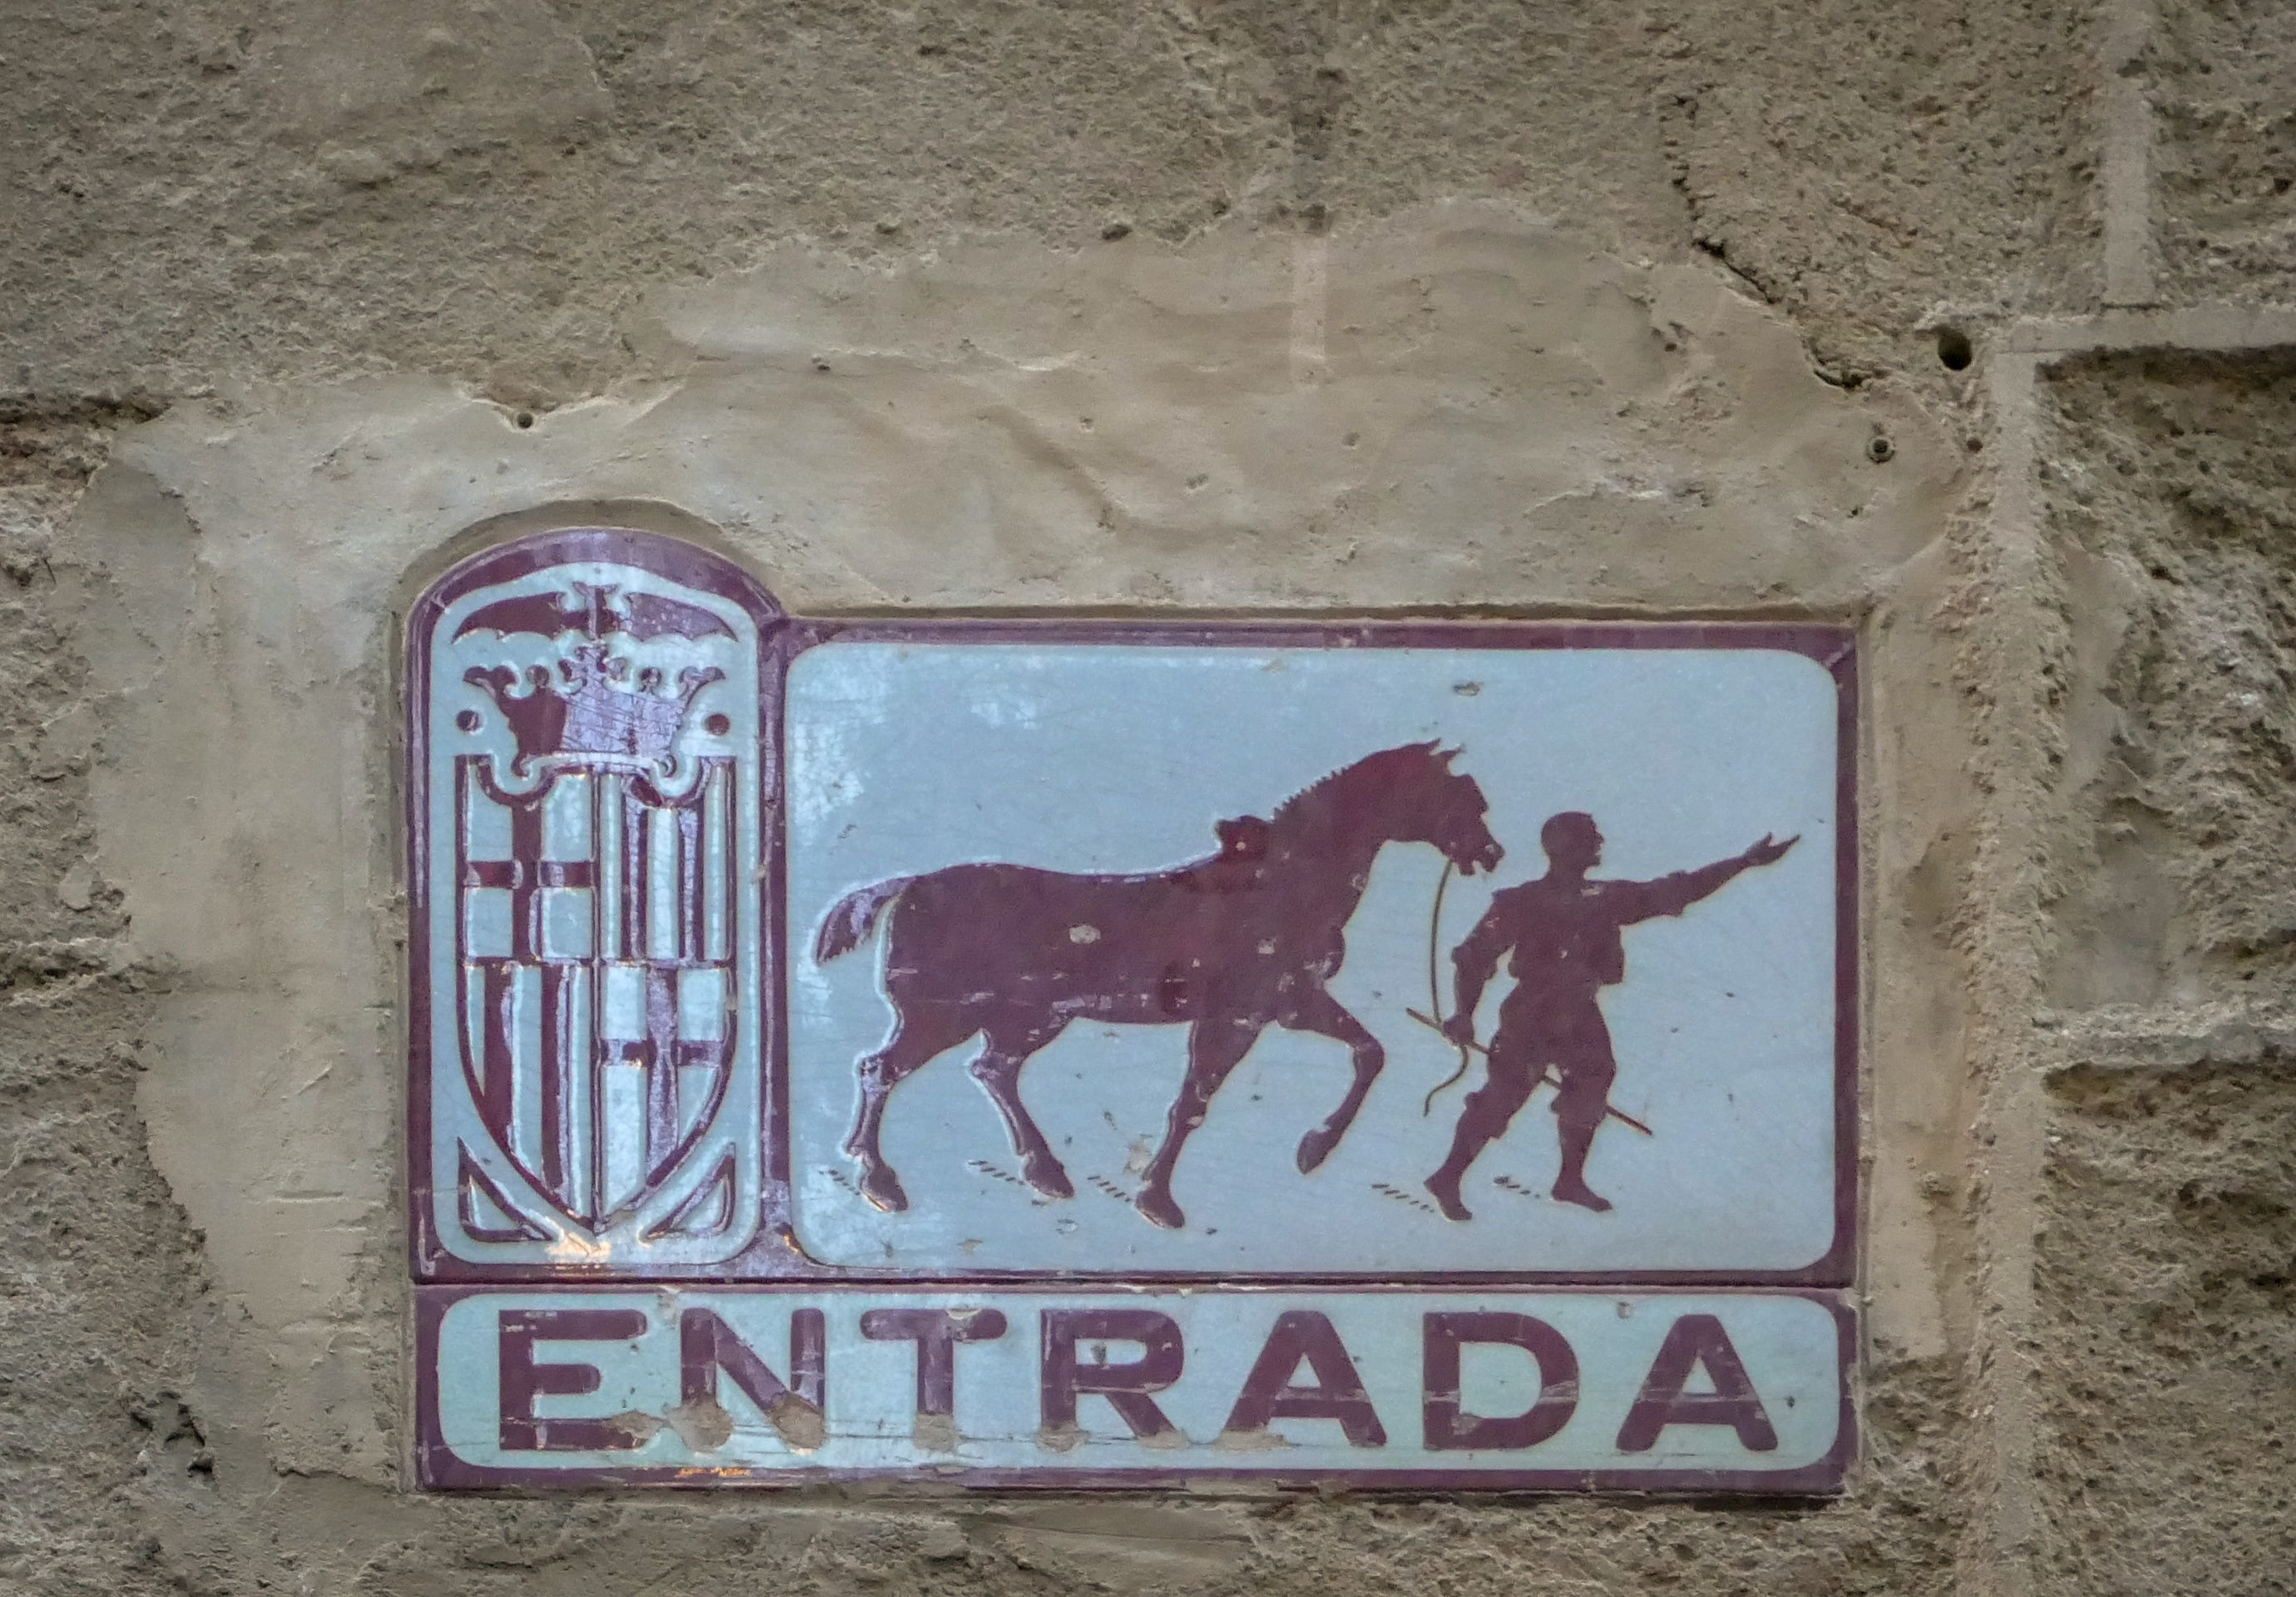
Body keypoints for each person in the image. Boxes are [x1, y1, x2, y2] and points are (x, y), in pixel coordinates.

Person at [1425, 812, 1795, 1220]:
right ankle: (1447, 1177)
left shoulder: (1606, 897)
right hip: (1531, 1015)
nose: (1600, 842)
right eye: (1591, 837)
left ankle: (1569, 1181)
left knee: (1592, 1083)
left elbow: (1678, 891)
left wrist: (1743, 862)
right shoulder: (1520, 902)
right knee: (1502, 1098)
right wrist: (1463, 1014)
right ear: (1570, 847)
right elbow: (1473, 957)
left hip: (1580, 1013)